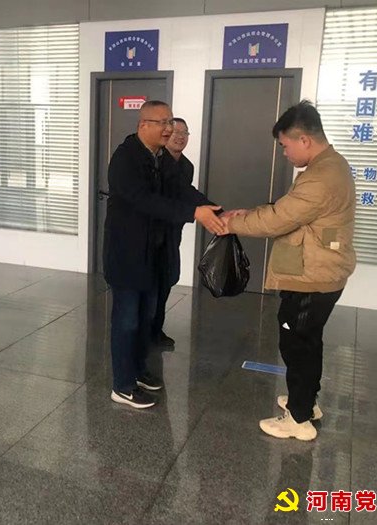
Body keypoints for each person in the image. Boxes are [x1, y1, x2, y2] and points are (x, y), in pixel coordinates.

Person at [221, 100, 356, 441]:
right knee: (308, 340)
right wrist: (249, 212)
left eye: (285, 145)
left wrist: (231, 224)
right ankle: (306, 402)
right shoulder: (331, 165)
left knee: (296, 343)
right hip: (321, 269)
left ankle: (298, 419)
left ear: (304, 140)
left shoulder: (321, 177)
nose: (284, 153)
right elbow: (289, 211)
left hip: (312, 276)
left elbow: (279, 220)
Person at [103, 100, 225, 409]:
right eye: (164, 123)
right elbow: (145, 201)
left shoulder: (161, 158)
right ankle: (122, 385)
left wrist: (213, 209)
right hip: (127, 255)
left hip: (153, 254)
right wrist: (193, 213)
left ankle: (138, 370)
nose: (170, 129)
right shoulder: (126, 158)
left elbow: (181, 190)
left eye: (171, 122)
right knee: (127, 320)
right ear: (143, 125)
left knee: (146, 319)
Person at [152, 117, 210, 348]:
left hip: (172, 233)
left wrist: (212, 209)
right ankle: (144, 332)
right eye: (175, 132)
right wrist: (198, 211)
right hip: (151, 235)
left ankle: (156, 330)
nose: (180, 137)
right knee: (151, 284)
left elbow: (186, 193)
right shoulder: (156, 162)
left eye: (185, 133)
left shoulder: (186, 166)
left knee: (167, 279)